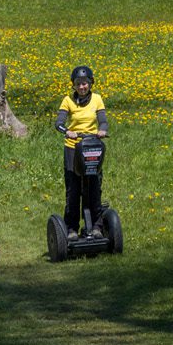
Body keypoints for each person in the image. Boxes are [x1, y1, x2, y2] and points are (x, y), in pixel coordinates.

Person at [55, 65, 109, 239]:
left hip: (92, 146)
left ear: (90, 83)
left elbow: (103, 121)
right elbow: (59, 123)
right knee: (73, 189)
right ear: (74, 85)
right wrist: (67, 131)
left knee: (94, 187)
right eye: (78, 83)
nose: (81, 87)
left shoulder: (97, 99)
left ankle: (96, 227)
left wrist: (102, 130)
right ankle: (71, 228)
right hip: (73, 147)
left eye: (84, 83)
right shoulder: (68, 101)